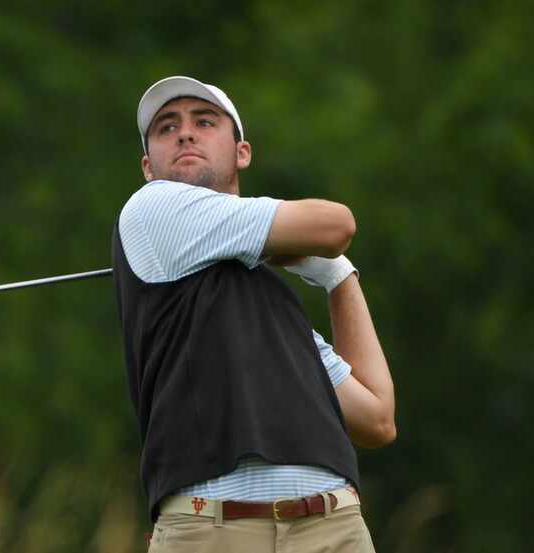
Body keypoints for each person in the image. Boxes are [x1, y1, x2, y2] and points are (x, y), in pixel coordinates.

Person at [112, 76, 396, 553]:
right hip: (213, 531)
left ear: (241, 152)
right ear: (148, 167)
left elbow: (376, 418)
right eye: (166, 128)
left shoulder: (271, 300)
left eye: (204, 122)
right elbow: (336, 223)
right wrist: (320, 247)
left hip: (333, 528)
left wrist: (339, 278)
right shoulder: (151, 209)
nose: (184, 134)